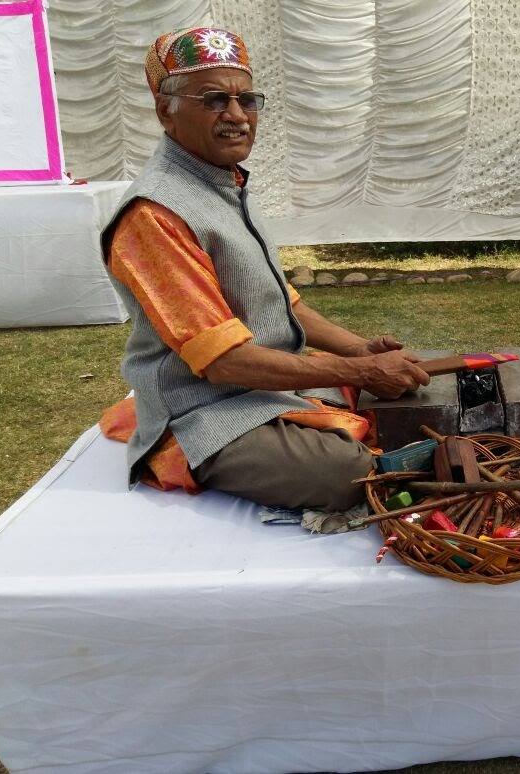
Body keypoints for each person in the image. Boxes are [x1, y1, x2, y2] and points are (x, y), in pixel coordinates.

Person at [102, 26, 429, 512]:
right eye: (213, 100)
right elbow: (223, 362)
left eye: (247, 100)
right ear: (164, 110)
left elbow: (277, 299)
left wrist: (358, 350)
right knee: (347, 474)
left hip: (268, 385)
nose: (236, 116)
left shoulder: (221, 182)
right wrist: (359, 370)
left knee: (412, 387)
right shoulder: (155, 214)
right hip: (206, 409)